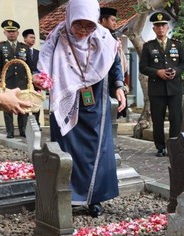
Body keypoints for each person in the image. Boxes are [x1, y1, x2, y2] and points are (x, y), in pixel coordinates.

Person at [37, 0, 127, 217]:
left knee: (98, 150)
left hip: (97, 100)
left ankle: (95, 198)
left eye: (89, 26)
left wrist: (119, 86)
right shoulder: (57, 37)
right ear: (69, 19)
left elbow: (114, 63)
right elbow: (44, 64)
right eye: (79, 25)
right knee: (68, 149)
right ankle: (70, 197)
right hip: (68, 97)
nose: (84, 31)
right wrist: (41, 78)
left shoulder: (105, 37)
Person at [139, 12, 184, 157]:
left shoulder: (177, 45)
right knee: (158, 119)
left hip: (174, 88)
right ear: (154, 29)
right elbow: (143, 67)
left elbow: (183, 63)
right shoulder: (148, 47)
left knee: (175, 118)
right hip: (157, 89)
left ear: (167, 27)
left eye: (163, 26)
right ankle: (160, 147)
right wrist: (157, 72)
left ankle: (173, 145)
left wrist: (176, 71)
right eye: (157, 26)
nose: (160, 29)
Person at [0, 19, 30, 139]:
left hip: (22, 81)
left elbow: (29, 66)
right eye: (8, 31)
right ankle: (10, 131)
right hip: (7, 81)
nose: (11, 34)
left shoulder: (24, 47)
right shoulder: (0, 47)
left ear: (18, 33)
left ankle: (23, 130)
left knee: (22, 107)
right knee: (7, 107)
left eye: (14, 31)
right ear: (4, 32)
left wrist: (31, 82)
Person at [99, 6, 130, 120]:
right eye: (113, 20)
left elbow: (117, 63)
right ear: (103, 20)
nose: (115, 23)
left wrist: (120, 85)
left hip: (113, 84)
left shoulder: (113, 37)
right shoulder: (95, 37)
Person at [22, 28, 41, 126]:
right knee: (25, 102)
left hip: (36, 82)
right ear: (25, 39)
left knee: (36, 102)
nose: (33, 39)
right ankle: (25, 125)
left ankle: (37, 123)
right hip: (24, 81)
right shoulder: (21, 51)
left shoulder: (38, 52)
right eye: (31, 37)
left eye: (34, 38)